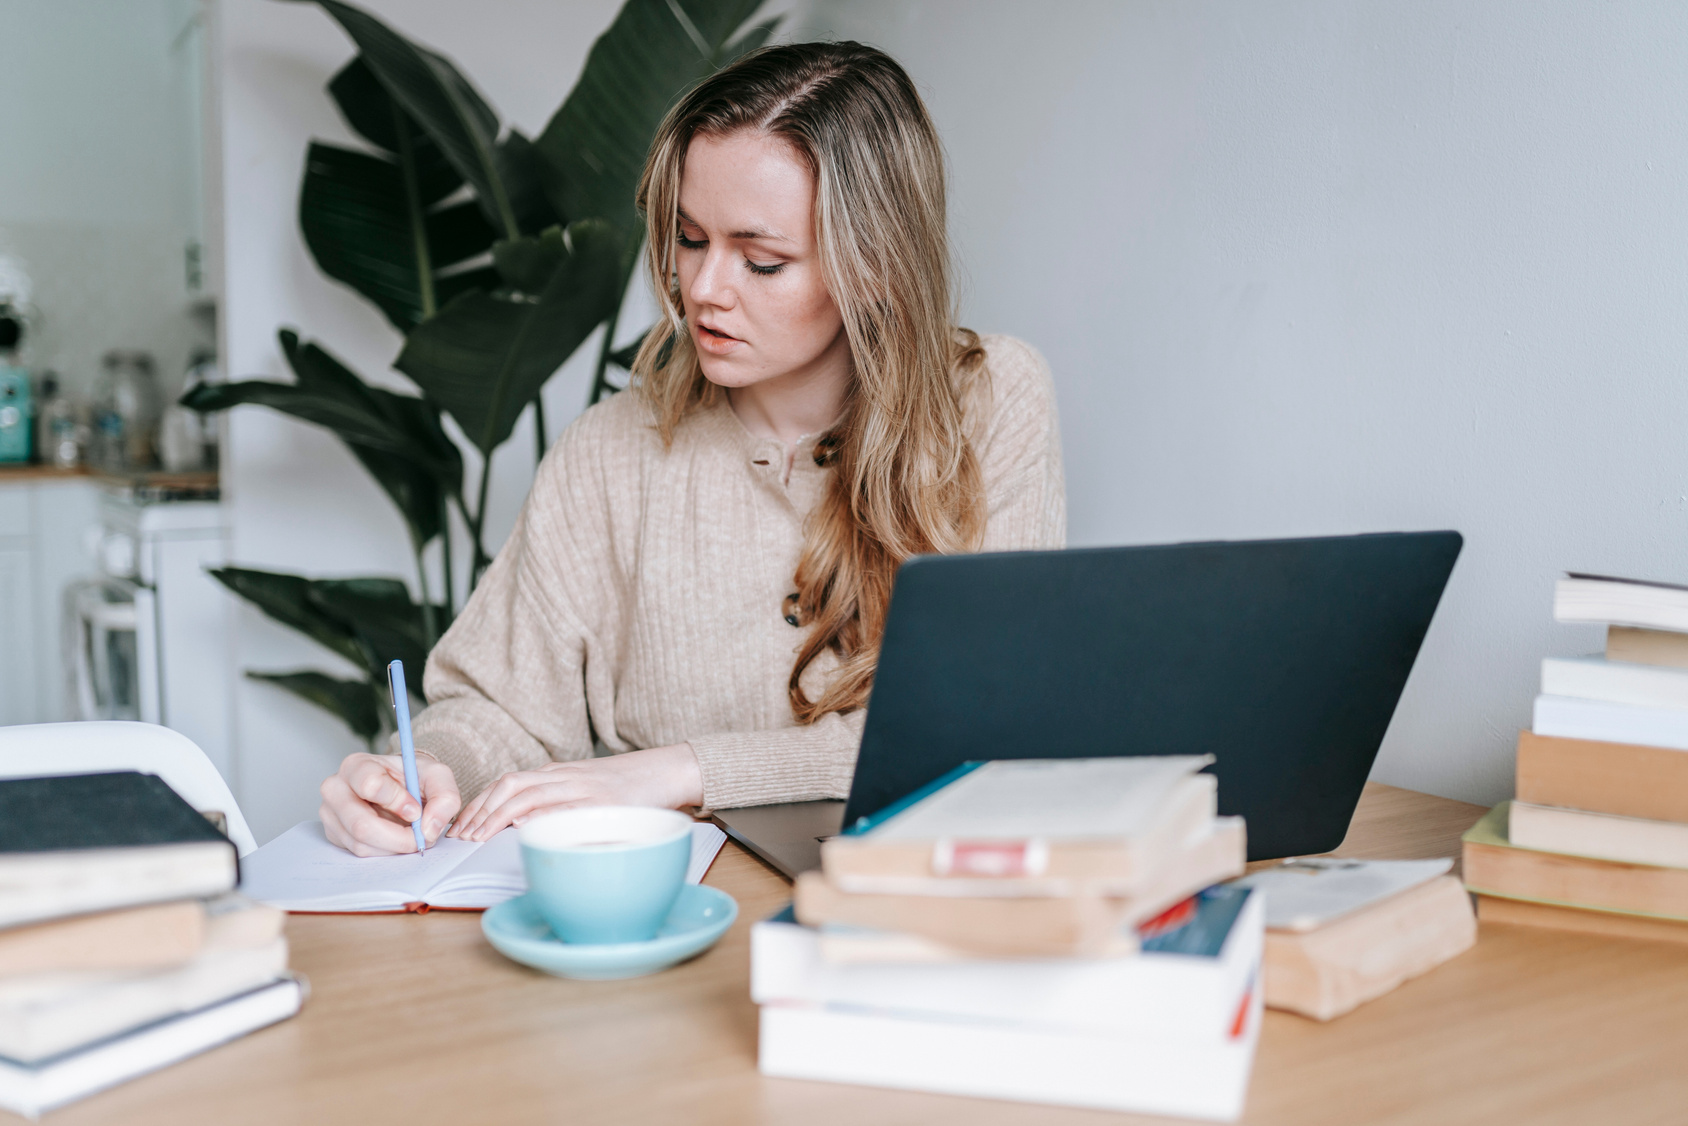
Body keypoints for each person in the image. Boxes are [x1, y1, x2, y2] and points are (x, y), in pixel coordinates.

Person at [316, 41, 1065, 857]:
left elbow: (981, 729)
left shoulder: (989, 405)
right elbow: (498, 706)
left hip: (902, 912)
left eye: (762, 259)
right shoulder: (609, 452)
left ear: (876, 265)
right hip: (663, 919)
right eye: (690, 238)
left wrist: (675, 771)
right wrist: (430, 772)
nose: (704, 289)